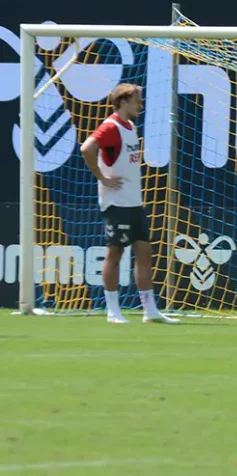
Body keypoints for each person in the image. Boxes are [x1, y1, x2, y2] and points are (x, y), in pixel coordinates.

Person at [79, 83, 178, 325]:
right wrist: (101, 178)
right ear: (123, 102)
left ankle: (150, 311)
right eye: (137, 101)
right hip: (116, 203)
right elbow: (87, 148)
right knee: (115, 253)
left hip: (135, 202)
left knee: (144, 252)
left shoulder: (131, 126)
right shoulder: (110, 127)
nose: (140, 105)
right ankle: (113, 311)